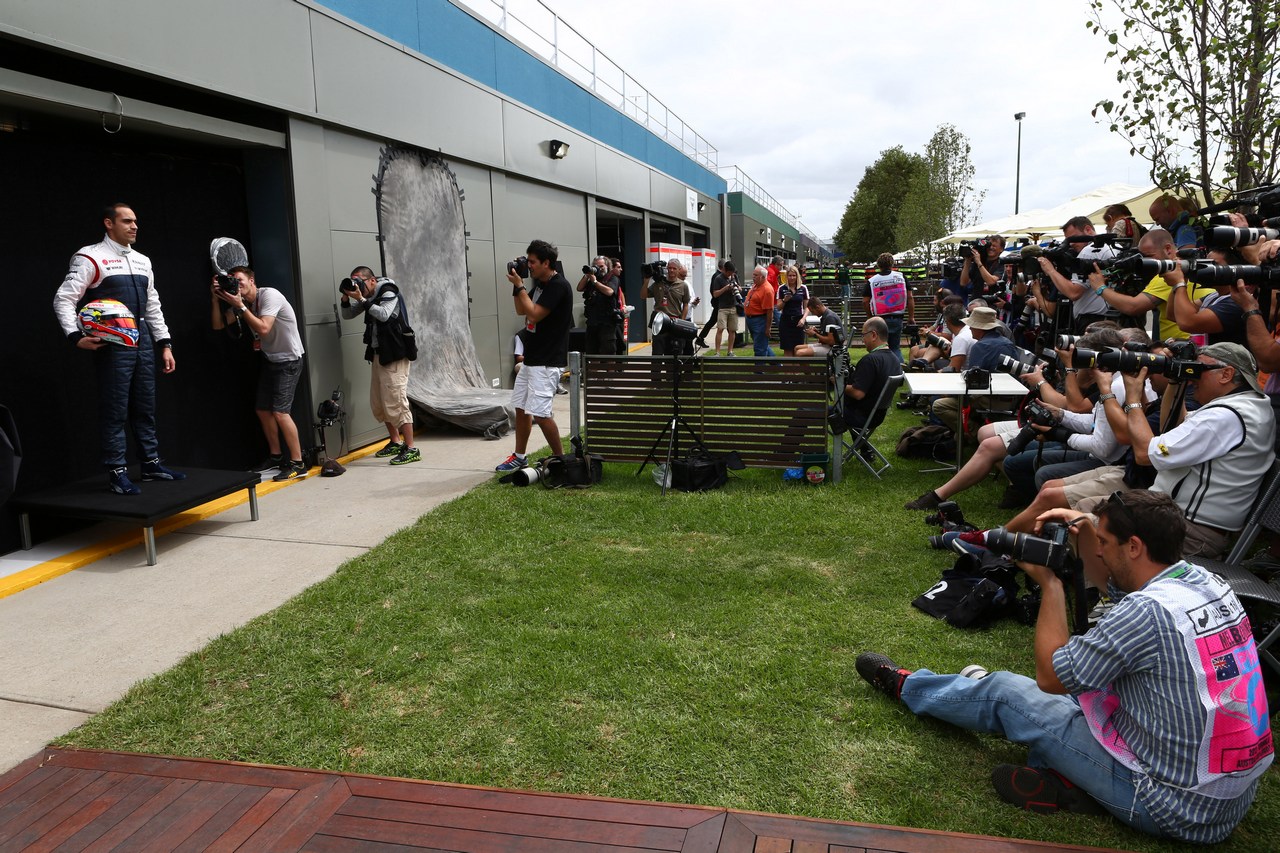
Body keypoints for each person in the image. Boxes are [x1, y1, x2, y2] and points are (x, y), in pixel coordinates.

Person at [858, 490, 1272, 844]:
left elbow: (1051, 677)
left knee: (1009, 693)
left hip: (1167, 805)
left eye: (1105, 543)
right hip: (1227, 801)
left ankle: (908, 687)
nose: (1098, 553)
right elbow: (1112, 594)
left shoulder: (1146, 613)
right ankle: (1068, 783)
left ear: (1134, 547)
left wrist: (1050, 584)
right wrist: (1089, 527)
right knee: (1084, 689)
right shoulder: (1206, 583)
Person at [52, 203, 184, 495]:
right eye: (127, 221)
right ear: (109, 223)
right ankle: (117, 471)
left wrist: (165, 344)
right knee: (115, 410)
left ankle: (150, 464)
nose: (134, 226)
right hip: (112, 344)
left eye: (136, 221)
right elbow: (63, 299)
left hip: (144, 341)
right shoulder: (90, 256)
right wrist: (75, 336)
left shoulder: (142, 260)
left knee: (145, 406)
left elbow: (153, 305)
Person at [1119, 342, 1276, 559]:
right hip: (1178, 519)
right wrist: (1176, 379)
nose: (1193, 377)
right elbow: (1173, 426)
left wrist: (1133, 400)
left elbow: (1145, 454)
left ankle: (1104, 590)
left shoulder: (1224, 417)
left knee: (1088, 526)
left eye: (1199, 370)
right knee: (1090, 512)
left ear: (1226, 374)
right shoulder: (1247, 406)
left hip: (1188, 532)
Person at [213, 266, 310, 480]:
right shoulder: (243, 303)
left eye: (239, 280)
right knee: (263, 410)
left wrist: (240, 306)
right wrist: (216, 297)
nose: (236, 285)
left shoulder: (270, 296)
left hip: (289, 360)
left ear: (251, 280)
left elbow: (264, 328)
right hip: (270, 359)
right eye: (232, 282)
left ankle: (298, 463)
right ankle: (276, 457)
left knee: (281, 412)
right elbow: (218, 324)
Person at [495, 240, 572, 472]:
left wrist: (519, 286)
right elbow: (521, 310)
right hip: (532, 359)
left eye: (532, 262)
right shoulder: (539, 284)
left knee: (541, 413)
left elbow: (535, 314)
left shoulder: (558, 285)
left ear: (546, 263)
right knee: (520, 407)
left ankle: (561, 459)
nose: (529, 267)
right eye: (527, 262)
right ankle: (519, 456)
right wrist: (516, 286)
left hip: (548, 361)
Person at [338, 266, 420, 466]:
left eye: (360, 282)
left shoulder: (388, 291)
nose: (359, 287)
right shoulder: (366, 295)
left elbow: (383, 314)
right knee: (380, 401)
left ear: (372, 280)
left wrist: (362, 299)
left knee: (397, 400)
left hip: (395, 354)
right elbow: (348, 315)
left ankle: (411, 448)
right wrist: (346, 298)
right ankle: (395, 441)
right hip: (379, 354)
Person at [1093, 228, 1215, 342]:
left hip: (1183, 342)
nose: (1144, 262)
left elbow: (1133, 307)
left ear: (1168, 249)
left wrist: (1100, 288)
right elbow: (1171, 315)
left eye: (1149, 256)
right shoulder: (1188, 269)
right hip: (1190, 339)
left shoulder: (1169, 274)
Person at [928, 306, 1019, 442]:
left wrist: (949, 390)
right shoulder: (1007, 342)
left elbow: (973, 383)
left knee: (939, 404)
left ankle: (975, 434)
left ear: (980, 328)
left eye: (972, 325)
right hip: (1011, 398)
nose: (969, 328)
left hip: (992, 398)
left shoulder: (981, 346)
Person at [1035, 216, 1118, 333]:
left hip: (1091, 321)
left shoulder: (1090, 250)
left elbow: (1073, 293)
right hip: (1108, 320)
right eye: (1068, 241)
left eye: (1073, 239)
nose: (1071, 244)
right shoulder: (1110, 247)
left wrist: (1051, 270)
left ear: (1088, 230)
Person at [841, 317, 902, 435]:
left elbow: (857, 393)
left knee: (808, 410)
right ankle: (865, 451)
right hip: (877, 416)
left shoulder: (870, 360)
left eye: (864, 335)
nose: (863, 340)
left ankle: (798, 449)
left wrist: (838, 383)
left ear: (873, 335)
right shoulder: (894, 359)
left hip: (859, 416)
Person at [863, 252, 914, 365]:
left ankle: (882, 368)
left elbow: (865, 301)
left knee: (880, 347)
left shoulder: (872, 281)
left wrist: (870, 317)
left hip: (880, 319)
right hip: (897, 317)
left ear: (878, 265)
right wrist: (911, 317)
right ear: (892, 263)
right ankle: (898, 368)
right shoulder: (901, 277)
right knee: (895, 347)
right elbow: (910, 297)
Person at [644, 258, 697, 356]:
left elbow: (686, 304)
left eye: (674, 268)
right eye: (669, 268)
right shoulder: (658, 283)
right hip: (659, 322)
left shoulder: (683, 285)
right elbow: (643, 295)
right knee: (657, 354)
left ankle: (672, 371)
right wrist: (646, 280)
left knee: (673, 354)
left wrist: (682, 321)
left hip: (674, 323)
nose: (671, 270)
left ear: (678, 270)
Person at [577, 255, 621, 355]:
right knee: (592, 353)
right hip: (592, 322)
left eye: (601, 266)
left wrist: (595, 282)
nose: (599, 269)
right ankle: (593, 371)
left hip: (607, 322)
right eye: (596, 266)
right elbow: (579, 288)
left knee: (608, 354)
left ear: (607, 266)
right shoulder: (591, 279)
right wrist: (587, 275)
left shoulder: (612, 278)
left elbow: (609, 291)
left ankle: (610, 371)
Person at [699, 260, 740, 356]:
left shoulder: (734, 277)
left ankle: (730, 351)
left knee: (732, 330)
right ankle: (717, 352)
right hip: (722, 307)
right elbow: (715, 294)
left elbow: (739, 289)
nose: (730, 274)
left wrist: (737, 287)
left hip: (733, 306)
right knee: (720, 329)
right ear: (725, 270)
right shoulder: (718, 278)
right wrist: (725, 288)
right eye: (729, 273)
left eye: (732, 273)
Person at [959, 235, 1006, 304]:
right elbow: (963, 282)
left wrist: (979, 263)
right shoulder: (978, 260)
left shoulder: (1001, 263)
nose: (991, 248)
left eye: (994, 246)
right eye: (989, 245)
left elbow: (991, 281)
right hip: (975, 302)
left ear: (1001, 249)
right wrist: (967, 261)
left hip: (991, 303)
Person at [776, 265, 810, 356]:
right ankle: (788, 370)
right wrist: (784, 300)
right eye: (789, 275)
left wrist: (803, 319)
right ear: (786, 276)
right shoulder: (782, 288)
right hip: (786, 320)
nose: (791, 278)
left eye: (794, 275)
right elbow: (778, 307)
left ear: (797, 276)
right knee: (787, 348)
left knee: (798, 348)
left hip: (798, 320)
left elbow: (807, 307)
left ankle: (796, 370)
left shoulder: (803, 288)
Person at [743, 265, 775, 357]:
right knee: (761, 344)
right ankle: (777, 365)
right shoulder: (756, 285)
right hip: (751, 319)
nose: (753, 277)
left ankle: (759, 370)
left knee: (759, 348)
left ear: (762, 277)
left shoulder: (767, 290)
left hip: (759, 321)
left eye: (755, 275)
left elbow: (770, 311)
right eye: (753, 274)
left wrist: (768, 328)